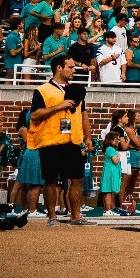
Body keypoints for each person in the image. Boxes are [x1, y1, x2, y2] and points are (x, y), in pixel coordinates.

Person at [26, 56, 87, 226]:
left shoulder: (76, 89)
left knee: (77, 178)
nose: (73, 70)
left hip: (72, 140)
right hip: (51, 140)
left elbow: (83, 114)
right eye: (70, 67)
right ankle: (52, 216)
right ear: (59, 68)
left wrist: (87, 136)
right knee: (51, 180)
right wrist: (59, 106)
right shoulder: (43, 90)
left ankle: (76, 215)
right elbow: (35, 114)